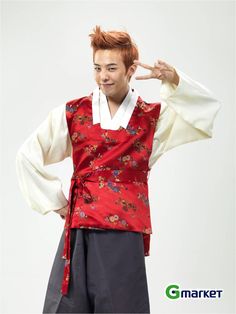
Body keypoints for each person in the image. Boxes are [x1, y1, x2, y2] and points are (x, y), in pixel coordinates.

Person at [15, 25, 221, 314]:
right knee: (68, 307)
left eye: (111, 68)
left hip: (124, 231)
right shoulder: (74, 112)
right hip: (79, 228)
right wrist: (57, 202)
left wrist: (174, 81)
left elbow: (205, 111)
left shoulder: (152, 119)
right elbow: (27, 156)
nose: (103, 76)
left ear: (131, 69)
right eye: (97, 68)